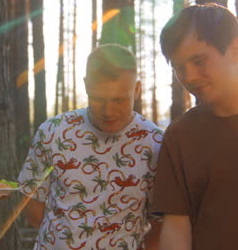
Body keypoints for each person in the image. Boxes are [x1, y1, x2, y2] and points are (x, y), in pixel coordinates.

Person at [18, 44, 164, 250]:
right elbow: (32, 204)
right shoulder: (53, 132)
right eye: (98, 99)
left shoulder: (156, 143)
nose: (109, 111)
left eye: (119, 100)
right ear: (86, 86)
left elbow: (161, 223)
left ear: (137, 89)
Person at [153, 3, 238, 250]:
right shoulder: (180, 136)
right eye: (179, 68)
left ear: (236, 50)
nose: (189, 77)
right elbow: (176, 227)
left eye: (199, 61)